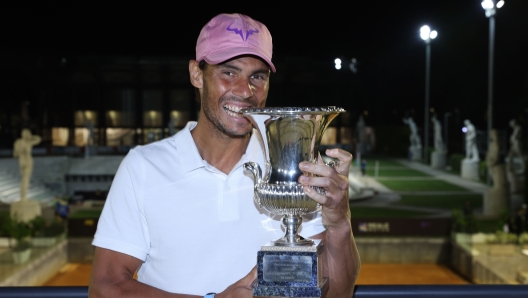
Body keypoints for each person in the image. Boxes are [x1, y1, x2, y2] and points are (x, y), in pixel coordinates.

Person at [88, 13, 360, 298]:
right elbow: (105, 287)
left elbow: (337, 294)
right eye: (229, 72)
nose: (245, 91)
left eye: (258, 76)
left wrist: (340, 221)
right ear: (197, 74)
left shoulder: (294, 167)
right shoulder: (143, 166)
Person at [13, 129, 42, 201]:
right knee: (25, 180)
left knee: (24, 179)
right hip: (26, 161)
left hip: (23, 161)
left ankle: (23, 196)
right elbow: (38, 139)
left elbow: (39, 139)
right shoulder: (25, 142)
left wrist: (30, 137)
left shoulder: (21, 142)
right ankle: (23, 197)